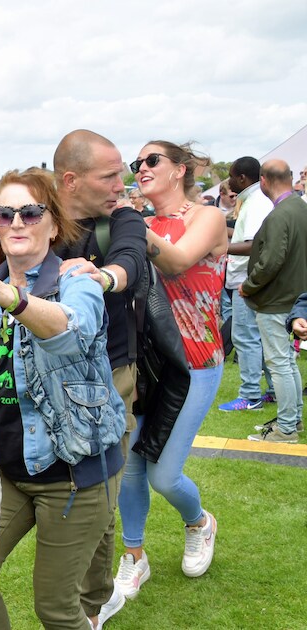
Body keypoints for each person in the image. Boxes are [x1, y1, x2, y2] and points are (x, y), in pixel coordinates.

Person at [0, 168, 125, 630]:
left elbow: (72, 331)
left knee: (56, 608)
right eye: (4, 214)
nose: (16, 223)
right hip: (6, 469)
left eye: (30, 213)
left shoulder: (76, 280)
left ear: (53, 225)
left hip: (73, 474)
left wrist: (9, 296)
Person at [116, 141, 227, 598]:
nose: (141, 168)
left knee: (164, 475)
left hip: (196, 361)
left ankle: (199, 522)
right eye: (136, 163)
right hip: (146, 363)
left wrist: (131, 223)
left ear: (180, 169)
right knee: (130, 466)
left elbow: (179, 261)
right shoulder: (140, 224)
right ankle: (134, 554)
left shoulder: (207, 217)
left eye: (151, 160)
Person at [50, 129, 146, 628]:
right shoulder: (37, 218)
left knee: (97, 482)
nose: (121, 185)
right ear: (70, 180)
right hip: (41, 372)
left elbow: (130, 259)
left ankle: (94, 601)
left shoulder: (122, 219)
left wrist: (103, 276)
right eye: (109, 176)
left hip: (109, 372)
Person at [242, 159, 307, 442]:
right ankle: (292, 420)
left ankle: (287, 428)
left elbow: (270, 261)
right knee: (287, 363)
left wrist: (248, 286)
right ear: (290, 178)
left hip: (277, 300)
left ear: (263, 181)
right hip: (293, 298)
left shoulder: (281, 214)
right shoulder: (300, 207)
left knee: (280, 364)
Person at [219, 156, 274, 412]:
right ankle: (273, 390)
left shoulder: (256, 203)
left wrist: (218, 248)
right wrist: (220, 230)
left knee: (245, 337)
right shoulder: (254, 200)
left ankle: (250, 395)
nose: (229, 181)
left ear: (242, 178)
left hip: (247, 280)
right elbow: (245, 236)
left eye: (231, 176)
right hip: (250, 279)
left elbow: (253, 245)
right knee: (261, 338)